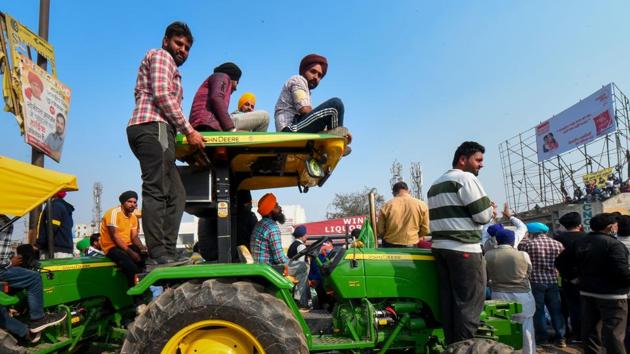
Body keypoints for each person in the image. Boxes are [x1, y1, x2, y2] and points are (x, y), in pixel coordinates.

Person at [126, 21, 205, 265]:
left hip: (160, 131)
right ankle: (158, 253)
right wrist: (190, 131)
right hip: (153, 127)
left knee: (177, 194)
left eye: (187, 47)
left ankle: (167, 250)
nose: (182, 50)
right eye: (178, 43)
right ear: (166, 41)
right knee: (157, 191)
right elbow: (161, 95)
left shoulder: (167, 63)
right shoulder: (161, 56)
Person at [427, 141, 495, 344]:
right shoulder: (465, 178)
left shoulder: (435, 185)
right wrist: (490, 209)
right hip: (464, 249)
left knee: (449, 305)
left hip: (440, 250)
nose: (481, 165)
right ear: (463, 159)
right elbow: (483, 216)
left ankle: (453, 346)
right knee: (468, 306)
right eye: (478, 160)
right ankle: (466, 347)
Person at [556, 213, 630, 354]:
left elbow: (560, 262)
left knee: (590, 331)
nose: (617, 227)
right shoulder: (614, 244)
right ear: (610, 227)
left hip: (587, 292)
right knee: (614, 332)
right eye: (615, 224)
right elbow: (621, 271)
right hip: (612, 296)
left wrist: (573, 279)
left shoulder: (581, 242)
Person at [0, 215, 67, 339]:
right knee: (34, 277)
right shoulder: (3, 221)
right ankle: (38, 318)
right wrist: (10, 262)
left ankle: (24, 332)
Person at [274, 54, 352, 153]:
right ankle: (333, 141)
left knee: (334, 120)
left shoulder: (307, 91)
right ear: (303, 71)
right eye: (313, 72)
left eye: (319, 75)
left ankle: (332, 139)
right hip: (289, 131)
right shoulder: (298, 80)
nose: (316, 77)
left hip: (295, 128)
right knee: (336, 105)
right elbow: (305, 110)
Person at [486, 229, 536, 354]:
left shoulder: (488, 255)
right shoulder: (523, 255)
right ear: (513, 240)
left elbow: (486, 275)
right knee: (526, 328)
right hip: (522, 294)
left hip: (498, 294)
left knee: (502, 328)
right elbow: (529, 272)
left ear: (497, 240)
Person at [518, 222, 566, 347]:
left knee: (538, 311)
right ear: (545, 232)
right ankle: (561, 337)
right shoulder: (557, 244)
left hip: (535, 282)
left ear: (532, 233)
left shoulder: (528, 245)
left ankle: (542, 338)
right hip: (553, 281)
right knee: (556, 310)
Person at [100, 191, 148, 286]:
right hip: (112, 247)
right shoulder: (113, 213)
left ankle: (148, 291)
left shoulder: (133, 217)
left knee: (147, 260)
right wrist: (132, 253)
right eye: (129, 201)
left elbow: (134, 237)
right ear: (122, 202)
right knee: (131, 268)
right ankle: (136, 296)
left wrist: (142, 248)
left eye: (135, 202)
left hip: (127, 245)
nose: (132, 204)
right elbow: (115, 237)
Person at [554, 212, 586, 342]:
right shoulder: (587, 237)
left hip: (565, 279)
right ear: (580, 225)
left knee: (569, 308)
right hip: (586, 279)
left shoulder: (558, 238)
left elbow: (558, 261)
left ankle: (572, 333)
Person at [189, 62, 243, 132]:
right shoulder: (222, 76)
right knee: (262, 117)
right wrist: (231, 128)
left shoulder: (215, 79)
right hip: (208, 124)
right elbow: (216, 98)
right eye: (237, 82)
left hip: (203, 124)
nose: (236, 88)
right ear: (232, 78)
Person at [377, 181, 429, 247]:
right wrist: (415, 236)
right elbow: (425, 229)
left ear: (393, 193)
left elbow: (380, 230)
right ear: (408, 191)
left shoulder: (386, 206)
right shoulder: (422, 205)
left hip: (390, 245)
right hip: (412, 244)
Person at [250, 193, 289, 265]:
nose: (280, 208)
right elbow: (280, 259)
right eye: (276, 206)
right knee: (303, 267)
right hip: (269, 268)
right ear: (270, 212)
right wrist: (291, 261)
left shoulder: (259, 224)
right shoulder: (272, 227)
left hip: (260, 266)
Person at [36, 191, 74, 258]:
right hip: (60, 250)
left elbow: (51, 228)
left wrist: (38, 245)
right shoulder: (62, 206)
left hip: (55, 251)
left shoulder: (55, 206)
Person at [287, 225, 310, 309]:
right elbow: (301, 262)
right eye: (306, 234)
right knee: (305, 267)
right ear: (302, 235)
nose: (307, 236)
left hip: (289, 268)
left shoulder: (293, 244)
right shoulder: (301, 246)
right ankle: (298, 298)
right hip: (294, 270)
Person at [234, 189, 258, 259]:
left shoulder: (231, 216)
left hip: (235, 253)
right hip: (247, 255)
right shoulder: (250, 216)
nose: (251, 206)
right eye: (249, 203)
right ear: (245, 204)